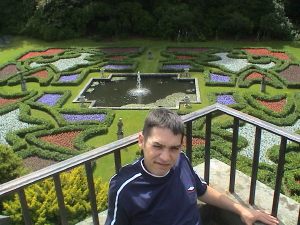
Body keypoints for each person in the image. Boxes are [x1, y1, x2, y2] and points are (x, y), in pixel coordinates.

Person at [105, 108, 279, 225]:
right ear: (141, 141)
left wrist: (242, 210)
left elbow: (202, 190)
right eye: (157, 146)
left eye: (174, 148)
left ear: (182, 145)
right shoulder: (125, 188)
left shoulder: (181, 161)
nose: (166, 157)